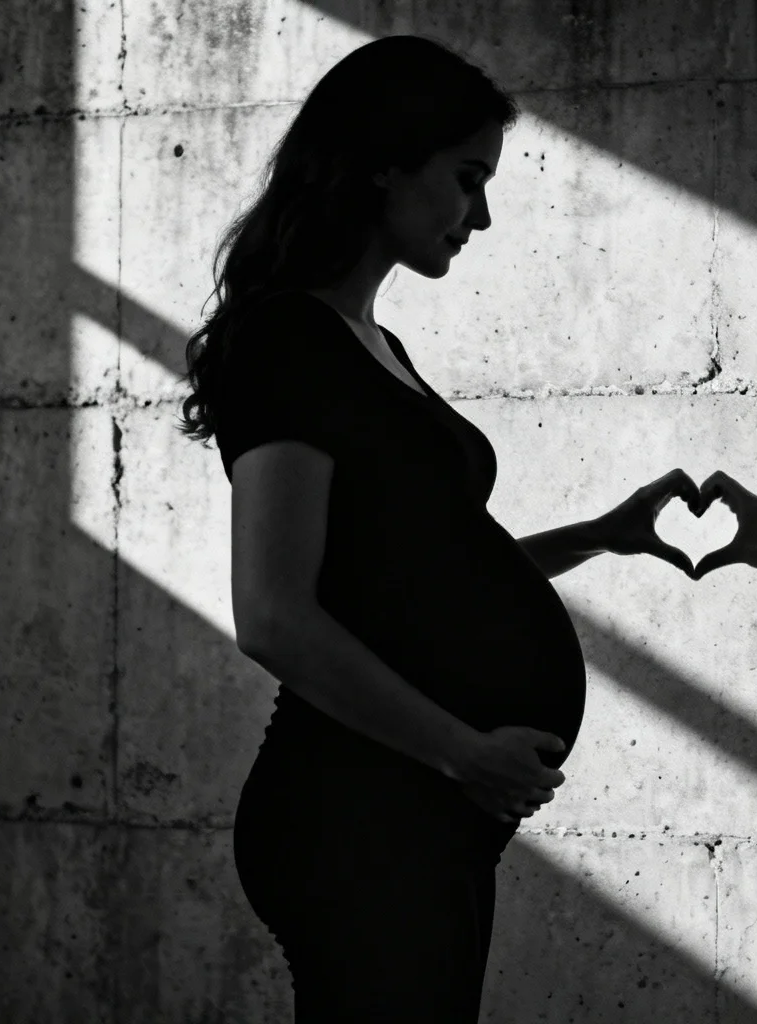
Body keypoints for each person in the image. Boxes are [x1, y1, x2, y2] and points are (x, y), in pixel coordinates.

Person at [175, 34, 702, 1022]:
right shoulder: (288, 342)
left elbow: (420, 577)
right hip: (357, 807)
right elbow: (275, 616)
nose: (483, 215)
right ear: (383, 163)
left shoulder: (375, 344)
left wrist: (597, 533)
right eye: (466, 179)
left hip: (415, 807)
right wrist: (462, 750)